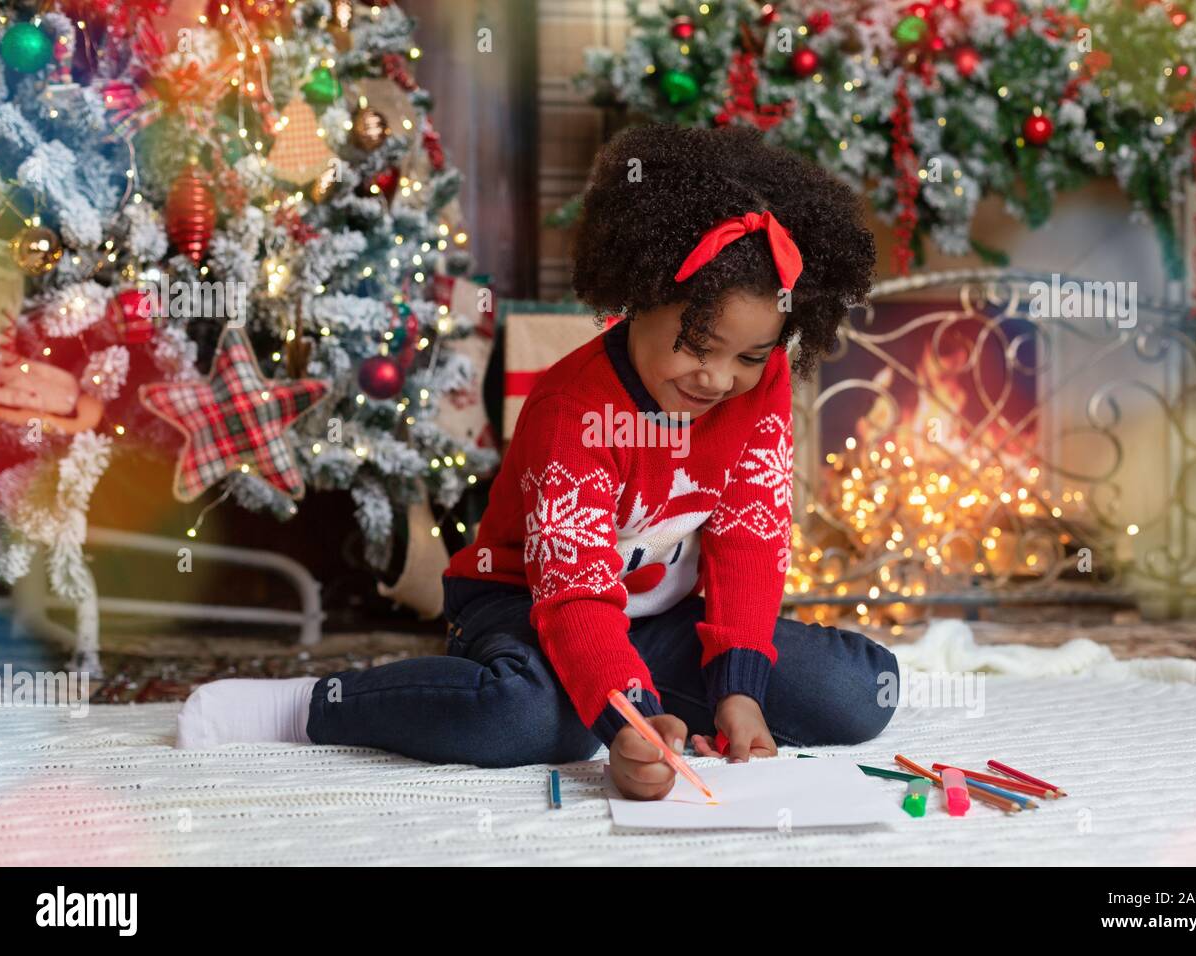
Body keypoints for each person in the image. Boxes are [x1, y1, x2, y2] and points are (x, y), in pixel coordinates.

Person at [176, 122, 898, 801]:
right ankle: (318, 706)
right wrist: (630, 723)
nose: (717, 378)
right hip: (530, 605)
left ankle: (634, 693)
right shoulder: (572, 410)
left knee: (858, 691)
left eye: (746, 355)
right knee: (527, 720)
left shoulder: (760, 386)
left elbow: (749, 537)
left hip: (657, 620)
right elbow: (575, 595)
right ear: (640, 297)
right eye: (696, 344)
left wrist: (739, 686)